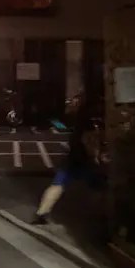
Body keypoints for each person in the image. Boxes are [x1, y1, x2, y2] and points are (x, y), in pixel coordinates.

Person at [31, 93, 101, 225]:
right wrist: (95, 157)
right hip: (84, 159)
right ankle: (100, 217)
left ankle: (41, 213)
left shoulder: (77, 121)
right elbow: (89, 142)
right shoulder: (89, 124)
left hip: (72, 157)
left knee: (58, 185)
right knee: (97, 186)